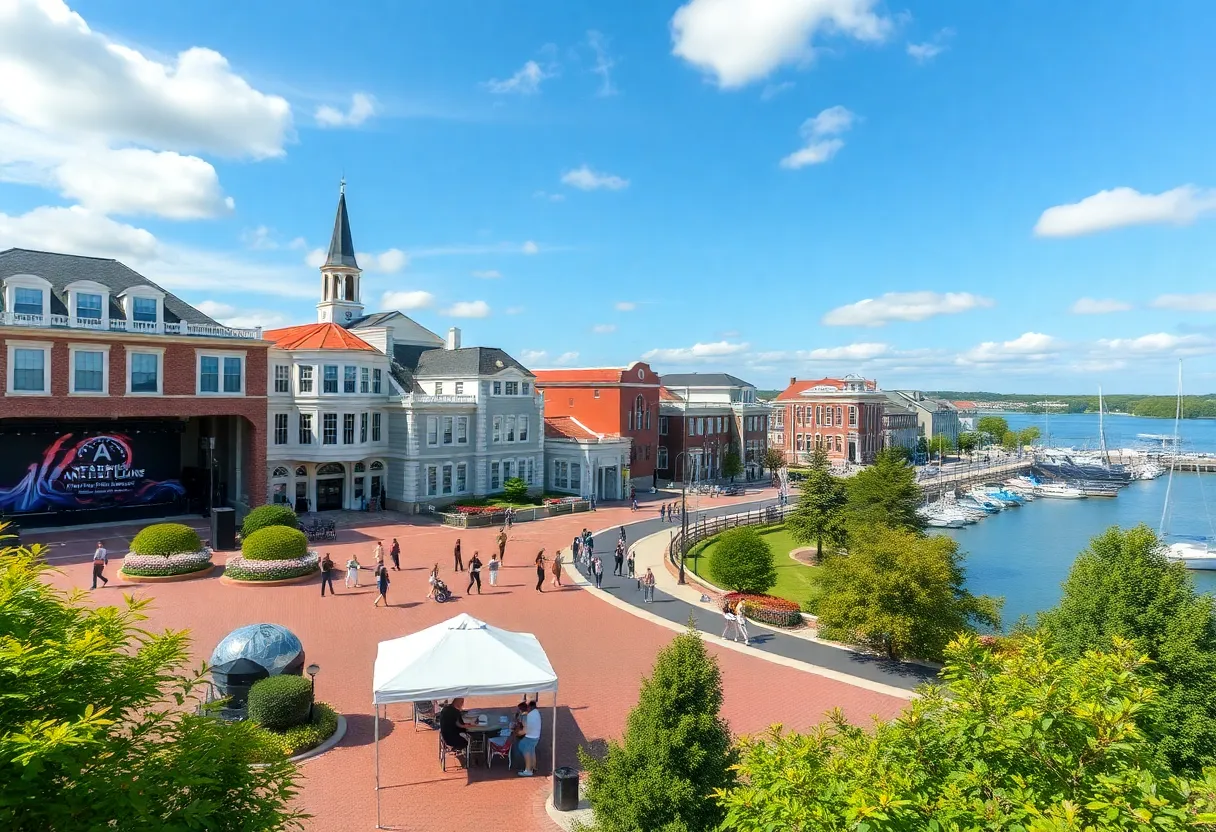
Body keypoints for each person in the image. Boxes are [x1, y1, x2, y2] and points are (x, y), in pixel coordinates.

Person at [518, 700, 542, 777]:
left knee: (525, 750)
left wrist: (517, 733)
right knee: (532, 751)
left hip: (530, 737)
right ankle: (533, 767)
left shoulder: (526, 716)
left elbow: (525, 731)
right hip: (536, 736)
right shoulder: (536, 712)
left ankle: (528, 770)